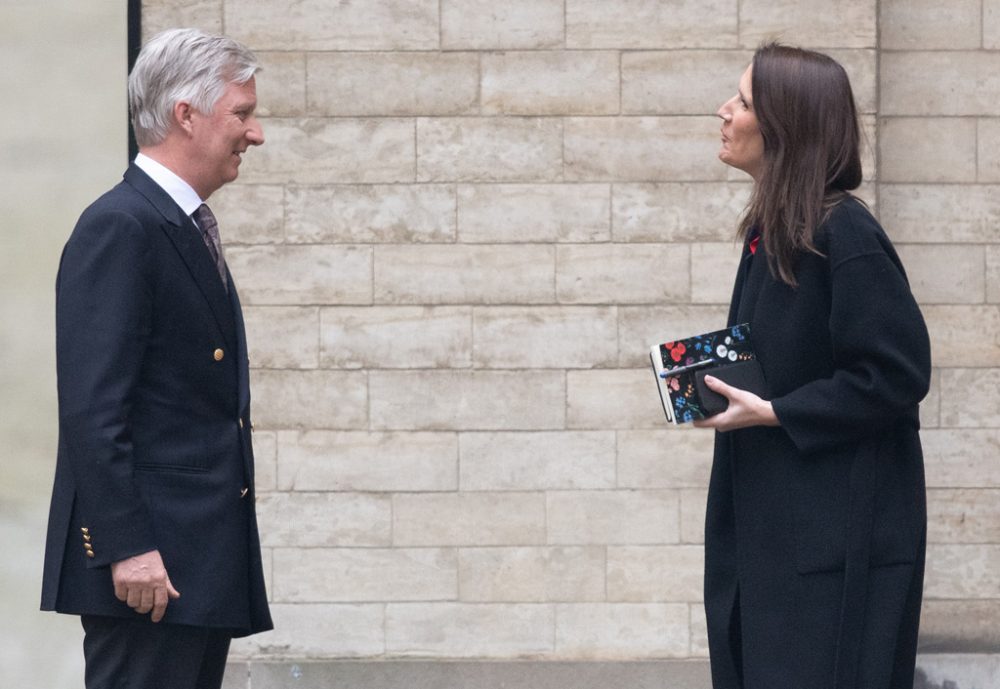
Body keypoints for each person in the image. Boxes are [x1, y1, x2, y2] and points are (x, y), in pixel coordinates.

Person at [40, 28, 272, 689]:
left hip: (191, 563)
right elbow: (93, 406)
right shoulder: (122, 225)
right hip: (149, 573)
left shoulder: (176, 223)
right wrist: (127, 546)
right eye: (243, 114)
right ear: (186, 115)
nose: (255, 135)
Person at [694, 43, 931, 689]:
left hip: (832, 551)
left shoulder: (843, 234)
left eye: (742, 101)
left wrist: (777, 412)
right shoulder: (773, 231)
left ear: (784, 124)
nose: (724, 111)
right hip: (768, 537)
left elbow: (898, 372)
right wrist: (711, 377)